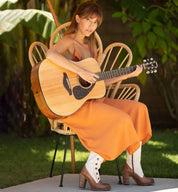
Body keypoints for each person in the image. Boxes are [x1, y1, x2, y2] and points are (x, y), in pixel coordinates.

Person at [46, 1, 154, 191]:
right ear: (77, 18)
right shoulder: (69, 41)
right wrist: (79, 70)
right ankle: (91, 167)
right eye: (88, 20)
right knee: (120, 119)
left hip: (94, 100)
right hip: (74, 106)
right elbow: (50, 55)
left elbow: (97, 83)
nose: (91, 26)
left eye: (95, 22)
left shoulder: (92, 43)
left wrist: (128, 74)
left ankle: (134, 167)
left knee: (139, 109)